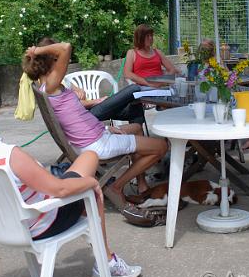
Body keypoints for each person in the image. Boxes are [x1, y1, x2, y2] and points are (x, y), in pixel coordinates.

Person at [0, 89, 141, 277]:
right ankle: (106, 262)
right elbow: (60, 190)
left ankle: (103, 255)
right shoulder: (9, 156)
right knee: (89, 190)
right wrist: (92, 182)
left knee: (88, 157)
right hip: (40, 224)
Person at [23, 41, 168, 208]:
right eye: (56, 58)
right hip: (96, 144)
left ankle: (140, 181)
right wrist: (38, 50)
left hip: (92, 137)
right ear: (51, 61)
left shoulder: (44, 87)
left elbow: (77, 117)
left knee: (136, 128)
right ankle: (117, 186)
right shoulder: (51, 85)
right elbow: (66, 47)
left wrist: (106, 128)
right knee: (161, 147)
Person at [38, 37, 145, 125]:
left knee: (135, 109)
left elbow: (77, 91)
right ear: (49, 59)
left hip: (87, 111)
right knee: (134, 89)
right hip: (85, 116)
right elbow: (73, 106)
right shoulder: (51, 82)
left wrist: (79, 91)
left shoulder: (56, 78)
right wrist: (96, 101)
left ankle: (139, 136)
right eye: (56, 58)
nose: (60, 61)